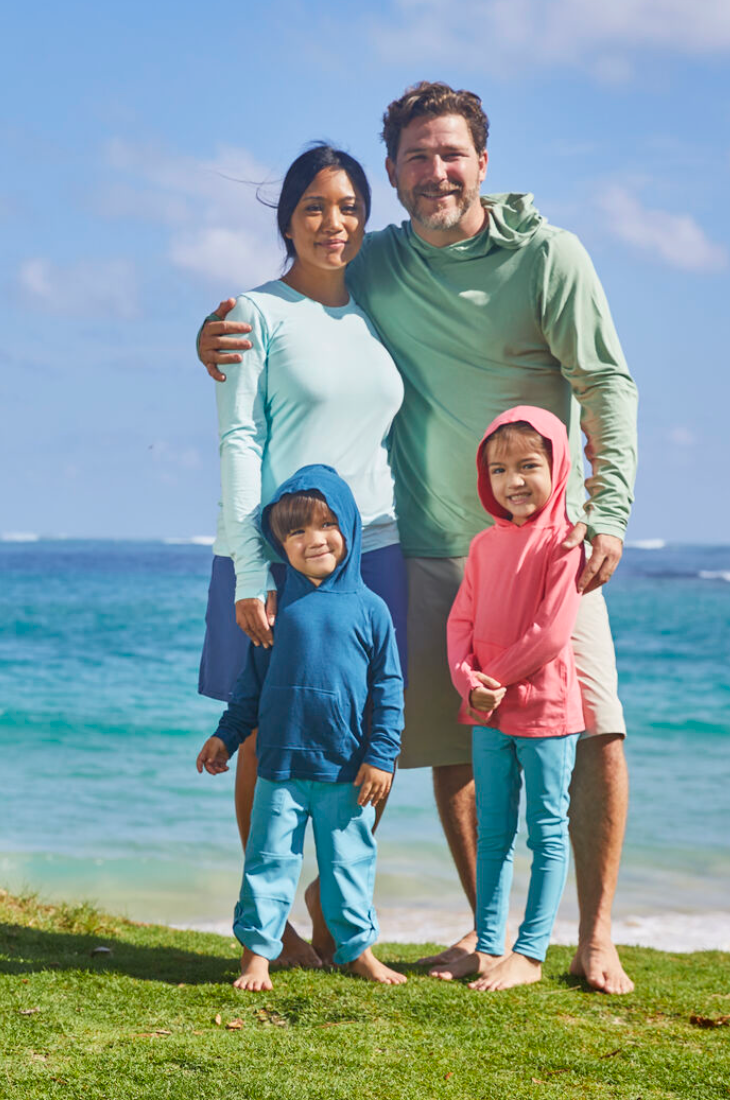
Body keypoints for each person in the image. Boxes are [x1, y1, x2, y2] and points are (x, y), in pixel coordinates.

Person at [197, 82, 640, 993]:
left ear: (482, 160)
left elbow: (606, 382)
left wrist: (609, 510)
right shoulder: (362, 268)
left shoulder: (533, 259)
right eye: (414, 158)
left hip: (522, 548)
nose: (434, 172)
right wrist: (213, 335)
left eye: (451, 154)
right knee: (430, 744)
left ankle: (590, 941)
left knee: (583, 730)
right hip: (396, 548)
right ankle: (440, 935)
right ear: (396, 174)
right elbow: (276, 336)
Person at [197, 144, 407, 967]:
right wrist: (255, 568)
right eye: (315, 206)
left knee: (367, 735)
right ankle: (272, 924)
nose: (335, 222)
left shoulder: (374, 313)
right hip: (277, 553)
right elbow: (240, 438)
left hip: (375, 549)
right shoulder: (253, 313)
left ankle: (333, 896)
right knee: (265, 736)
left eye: (350, 205)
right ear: (286, 217)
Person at [196, 466, 405, 991]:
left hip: (346, 770)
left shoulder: (372, 611)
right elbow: (250, 687)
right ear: (280, 544)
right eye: (296, 532)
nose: (314, 540)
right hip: (280, 769)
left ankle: (358, 951)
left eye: (327, 524)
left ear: (351, 528)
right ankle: (257, 957)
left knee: (351, 863)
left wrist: (381, 757)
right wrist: (225, 734)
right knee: (268, 864)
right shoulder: (275, 611)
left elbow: (389, 692)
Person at [437, 407, 584, 990]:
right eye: (499, 469)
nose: (513, 481)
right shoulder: (482, 546)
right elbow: (460, 621)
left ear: (558, 466)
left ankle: (529, 953)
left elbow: (550, 633)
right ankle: (487, 944)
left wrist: (490, 680)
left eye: (528, 465)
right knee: (493, 831)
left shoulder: (566, 543)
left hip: (545, 711)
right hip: (486, 713)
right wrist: (468, 683)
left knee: (546, 831)